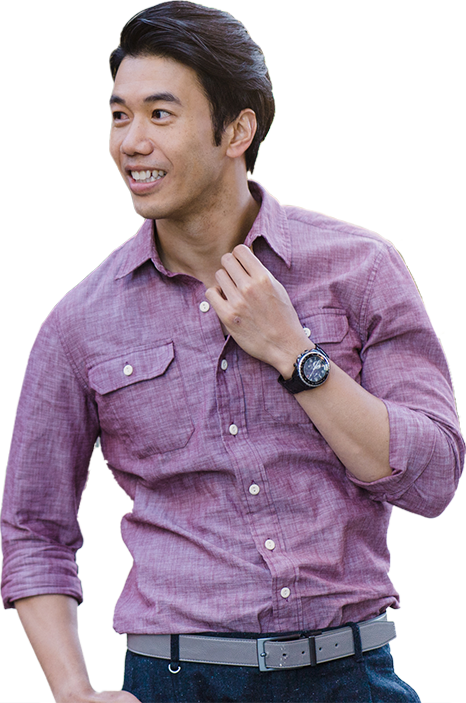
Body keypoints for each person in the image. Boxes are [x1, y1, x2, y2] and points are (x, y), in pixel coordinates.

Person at [2, 2, 464, 701]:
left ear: (237, 130)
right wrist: (72, 691)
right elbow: (32, 531)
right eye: (120, 116)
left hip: (350, 677)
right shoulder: (80, 321)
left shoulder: (360, 270)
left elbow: (432, 479)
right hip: (174, 681)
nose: (130, 142)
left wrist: (296, 355)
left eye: (160, 114)